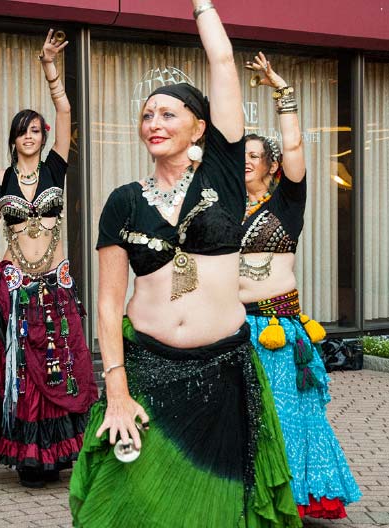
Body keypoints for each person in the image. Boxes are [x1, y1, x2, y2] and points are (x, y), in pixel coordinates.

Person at [69, 2, 302, 526]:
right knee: (128, 504)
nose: (154, 122)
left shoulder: (222, 177)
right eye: (147, 115)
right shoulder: (123, 201)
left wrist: (201, 5)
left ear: (200, 128)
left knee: (216, 510)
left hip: (223, 373)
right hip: (147, 371)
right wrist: (117, 391)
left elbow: (222, 61)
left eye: (168, 113)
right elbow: (108, 305)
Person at [0, 30, 97, 489]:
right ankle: (30, 456)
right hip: (16, 283)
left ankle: (59, 450)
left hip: (56, 281)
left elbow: (66, 110)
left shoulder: (57, 166)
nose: (31, 137)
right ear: (14, 137)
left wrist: (50, 69)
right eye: (24, 130)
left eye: (37, 130)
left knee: (61, 360)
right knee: (22, 369)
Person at [240, 52, 361, 519]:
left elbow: (295, 149)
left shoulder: (287, 203)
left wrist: (281, 91)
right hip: (234, 326)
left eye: (255, 156)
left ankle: (289, 500)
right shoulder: (225, 208)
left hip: (277, 328)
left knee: (286, 419)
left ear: (271, 166)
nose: (246, 162)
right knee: (243, 419)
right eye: (241, 156)